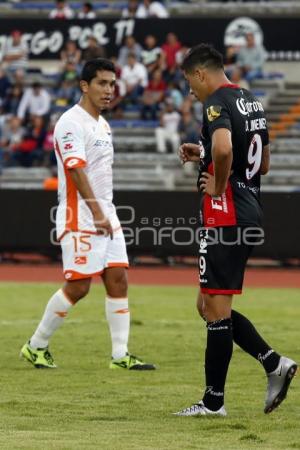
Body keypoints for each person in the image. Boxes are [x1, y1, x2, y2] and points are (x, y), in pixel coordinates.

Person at [173, 44, 297, 416]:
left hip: (225, 214)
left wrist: (217, 182)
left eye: (189, 83)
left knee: (214, 307)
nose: (191, 92)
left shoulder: (215, 104)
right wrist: (204, 153)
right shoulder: (251, 101)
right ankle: (274, 364)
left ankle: (214, 403)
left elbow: (225, 149)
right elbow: (265, 164)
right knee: (209, 305)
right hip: (250, 210)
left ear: (199, 73)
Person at [20, 58, 155, 371]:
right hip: (79, 214)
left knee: (118, 279)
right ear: (85, 85)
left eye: (112, 84)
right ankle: (36, 345)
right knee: (79, 286)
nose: (109, 90)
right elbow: (75, 170)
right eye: (102, 83)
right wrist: (96, 212)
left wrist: (104, 211)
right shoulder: (71, 122)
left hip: (105, 211)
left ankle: (120, 355)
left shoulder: (103, 124)